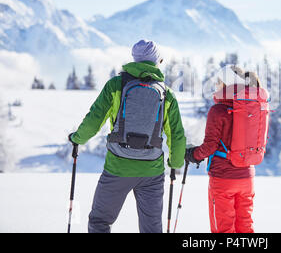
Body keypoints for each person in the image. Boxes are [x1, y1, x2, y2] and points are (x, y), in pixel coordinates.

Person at [68, 40, 186, 233]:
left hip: (118, 167)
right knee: (152, 229)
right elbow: (177, 134)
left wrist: (77, 139)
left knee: (100, 222)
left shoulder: (116, 85)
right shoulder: (166, 93)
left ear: (134, 58)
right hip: (152, 171)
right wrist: (175, 163)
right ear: (157, 61)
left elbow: (94, 119)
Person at [185, 66, 264, 233]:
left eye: (218, 82)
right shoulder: (253, 107)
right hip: (247, 178)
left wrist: (192, 154)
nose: (216, 86)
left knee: (223, 230)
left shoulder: (218, 110)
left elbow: (210, 146)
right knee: (245, 228)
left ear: (226, 84)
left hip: (223, 179)